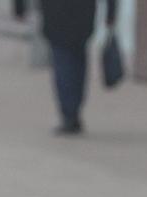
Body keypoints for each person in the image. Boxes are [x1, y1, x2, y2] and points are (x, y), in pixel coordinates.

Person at [14, 0, 117, 135]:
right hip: (83, 13)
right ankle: (73, 110)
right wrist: (111, 13)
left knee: (62, 63)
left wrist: (19, 8)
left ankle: (69, 113)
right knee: (78, 61)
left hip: (56, 13)